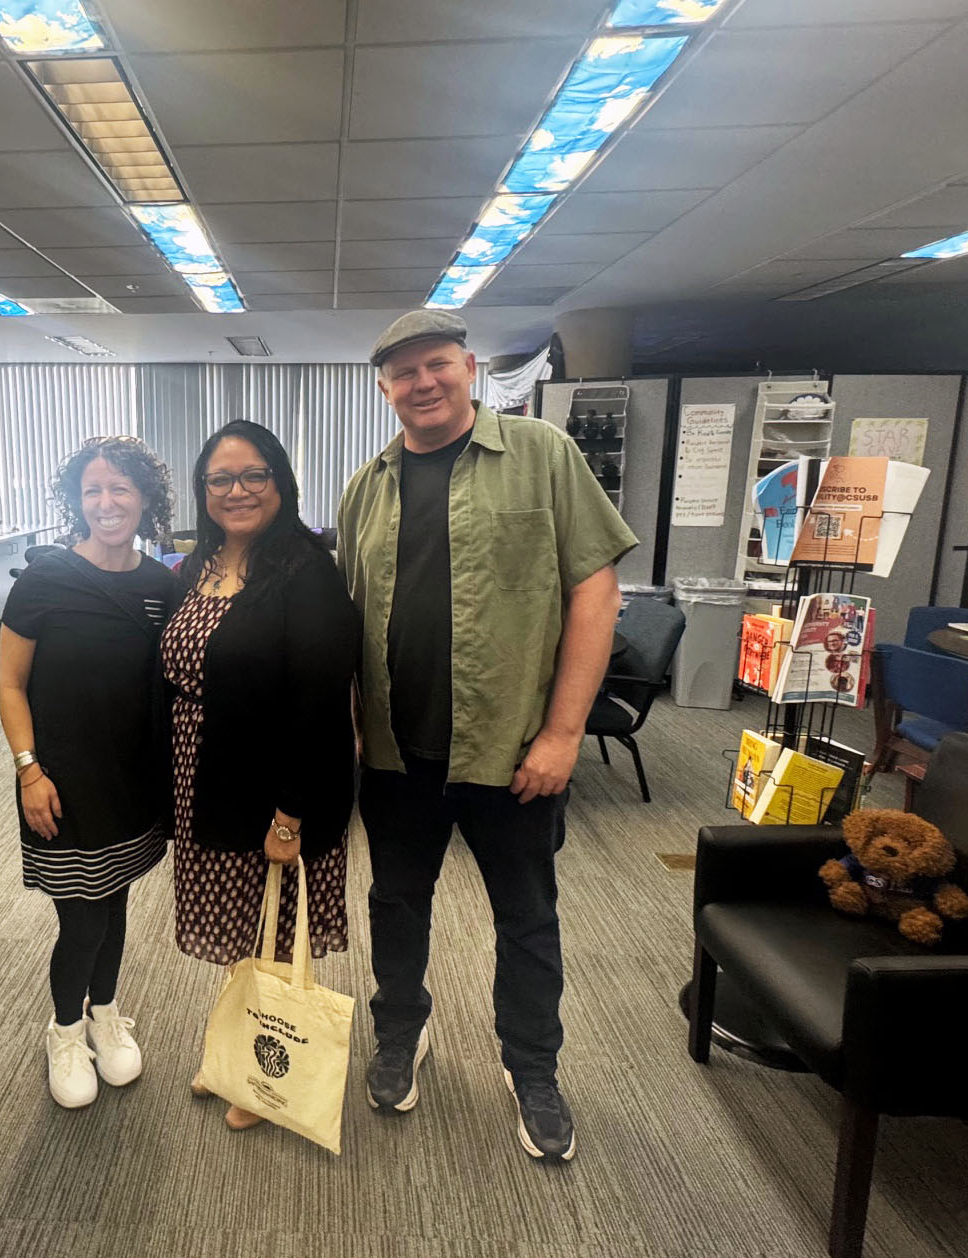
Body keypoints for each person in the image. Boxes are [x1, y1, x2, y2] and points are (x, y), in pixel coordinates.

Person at [336, 310, 637, 1162]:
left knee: (526, 918)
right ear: (384, 387)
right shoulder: (367, 485)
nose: (422, 383)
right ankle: (400, 1034)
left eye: (436, 365)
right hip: (396, 754)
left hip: (511, 752)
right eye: (403, 373)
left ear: (467, 367)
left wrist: (563, 733)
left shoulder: (542, 455)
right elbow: (349, 619)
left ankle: (531, 1067)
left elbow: (594, 593)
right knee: (395, 905)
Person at [162, 419, 360, 1133]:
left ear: (280, 482)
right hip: (204, 777)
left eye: (254, 476)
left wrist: (290, 814)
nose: (237, 490)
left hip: (275, 786)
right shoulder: (198, 564)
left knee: (275, 935)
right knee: (240, 933)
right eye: (220, 478)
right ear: (202, 490)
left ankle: (263, 1073)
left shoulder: (307, 571)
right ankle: (236, 1052)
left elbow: (318, 705)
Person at [0, 435, 182, 1109]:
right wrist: (27, 771)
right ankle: (65, 1029)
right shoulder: (46, 579)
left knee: (116, 899)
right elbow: (11, 684)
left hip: (133, 782)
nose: (107, 503)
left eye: (121, 489)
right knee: (81, 917)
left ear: (145, 500)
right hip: (61, 783)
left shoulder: (161, 586)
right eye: (93, 491)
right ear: (77, 502)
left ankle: (106, 1011)